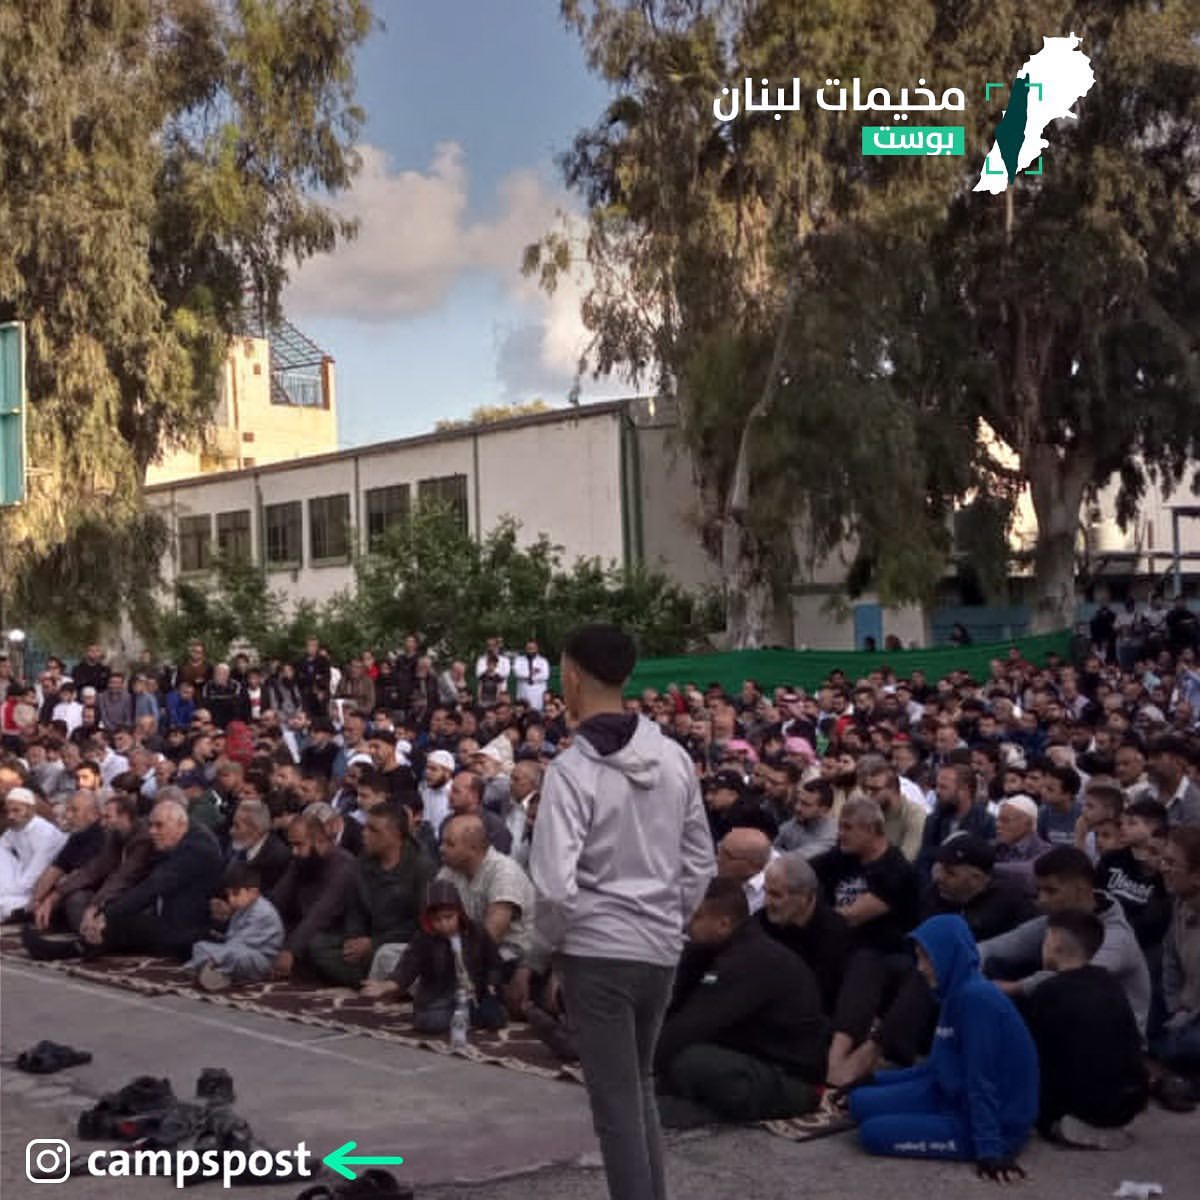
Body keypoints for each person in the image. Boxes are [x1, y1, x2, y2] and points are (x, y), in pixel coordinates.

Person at [529, 624, 714, 1200]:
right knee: (638, 1089)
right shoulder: (674, 758)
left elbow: (554, 888)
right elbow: (699, 861)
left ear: (572, 676)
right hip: (658, 948)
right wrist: (669, 920)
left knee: (615, 1107)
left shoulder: (572, 772)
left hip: (596, 949)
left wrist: (541, 952)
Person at [848, 914, 1038, 1181]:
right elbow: (938, 1067)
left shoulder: (977, 1001)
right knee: (858, 1102)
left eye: (927, 959)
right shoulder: (954, 993)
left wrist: (990, 1149)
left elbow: (981, 1079)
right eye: (918, 958)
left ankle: (973, 1136)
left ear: (950, 955)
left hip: (993, 1123)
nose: (921, 968)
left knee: (872, 1133)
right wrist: (875, 1079)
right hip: (951, 1095)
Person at [654, 878, 827, 1123]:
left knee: (690, 1061)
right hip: (748, 1057)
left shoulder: (751, 960)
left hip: (790, 1079)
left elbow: (694, 1024)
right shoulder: (711, 950)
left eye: (696, 917)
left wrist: (638, 1063)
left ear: (723, 924)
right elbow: (671, 1005)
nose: (687, 923)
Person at [979, 846, 1151, 1035]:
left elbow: (1073, 979)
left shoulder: (1117, 937)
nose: (1042, 900)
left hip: (1113, 1040)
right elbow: (999, 946)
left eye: (1051, 891)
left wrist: (1009, 988)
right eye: (1039, 890)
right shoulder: (1057, 920)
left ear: (1081, 889)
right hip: (1070, 1026)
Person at [1024, 910, 1148, 1148]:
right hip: (1127, 1104)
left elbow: (1034, 1057)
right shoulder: (1112, 984)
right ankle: (1105, 1122)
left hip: (1077, 1107)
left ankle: (1069, 1124)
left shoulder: (1048, 992)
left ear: (1054, 943)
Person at [310, 802, 435, 987]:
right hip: (368, 937)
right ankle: (371, 978)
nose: (364, 834)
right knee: (318, 945)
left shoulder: (421, 867)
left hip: (398, 943)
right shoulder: (363, 862)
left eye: (373, 830)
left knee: (390, 956)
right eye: (365, 828)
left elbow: (422, 923)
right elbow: (355, 908)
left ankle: (379, 980)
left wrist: (375, 943)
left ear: (395, 834)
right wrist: (354, 938)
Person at [364, 878, 507, 1032]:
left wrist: (491, 989)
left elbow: (493, 963)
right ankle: (464, 1019)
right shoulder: (424, 938)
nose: (444, 924)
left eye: (449, 917)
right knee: (431, 1022)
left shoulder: (476, 932)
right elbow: (408, 966)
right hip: (439, 997)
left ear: (459, 913)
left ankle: (469, 1016)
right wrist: (389, 985)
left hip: (475, 995)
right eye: (437, 920)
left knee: (496, 1017)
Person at [89, 800, 224, 958]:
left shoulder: (196, 849)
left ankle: (81, 947)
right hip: (169, 916)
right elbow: (138, 879)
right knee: (116, 920)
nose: (152, 831)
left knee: (116, 925)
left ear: (181, 825)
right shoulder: (178, 839)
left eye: (159, 826)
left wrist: (108, 915)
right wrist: (105, 909)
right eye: (151, 825)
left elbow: (153, 886)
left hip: (188, 929)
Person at [758, 851, 853, 1015]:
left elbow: (824, 992)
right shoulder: (761, 921)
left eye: (776, 895)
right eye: (765, 892)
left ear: (805, 897)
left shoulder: (835, 933)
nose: (767, 902)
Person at [438, 814, 534, 972]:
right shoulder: (450, 870)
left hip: (511, 958)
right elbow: (434, 919)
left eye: (450, 844)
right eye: (442, 842)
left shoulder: (504, 872)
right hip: (464, 950)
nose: (441, 849)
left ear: (473, 848)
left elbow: (491, 936)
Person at [268, 811, 357, 979]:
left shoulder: (343, 866)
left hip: (335, 933)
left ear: (320, 841)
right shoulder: (301, 861)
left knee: (315, 945)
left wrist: (290, 950)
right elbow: (277, 899)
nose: (294, 851)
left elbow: (321, 913)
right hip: (304, 928)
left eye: (299, 845)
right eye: (292, 845)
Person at [1153, 825, 1200, 1106]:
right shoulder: (1181, 904)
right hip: (1185, 1007)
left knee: (1183, 1045)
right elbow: (1170, 960)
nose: (1163, 868)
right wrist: (1175, 1007)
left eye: (1171, 863)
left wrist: (1186, 1016)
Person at [186, 863, 286, 991]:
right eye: (229, 894)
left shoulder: (263, 913)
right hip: (234, 950)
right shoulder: (241, 909)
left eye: (236, 894)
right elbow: (230, 939)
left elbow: (240, 945)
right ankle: (213, 971)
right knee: (200, 946)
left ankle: (213, 972)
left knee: (235, 955)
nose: (231, 899)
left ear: (253, 892)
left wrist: (216, 956)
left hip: (258, 959)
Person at [0, 787, 68, 920]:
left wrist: (8, 891)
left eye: (16, 810)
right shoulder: (15, 829)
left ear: (31, 810)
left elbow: (36, 873)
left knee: (6, 904)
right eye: (8, 811)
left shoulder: (45, 833)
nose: (10, 816)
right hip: (21, 885)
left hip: (43, 888)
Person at [774, 778, 838, 858]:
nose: (797, 807)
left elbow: (799, 859)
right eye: (798, 801)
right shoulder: (799, 820)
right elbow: (773, 845)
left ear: (823, 810)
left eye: (806, 804)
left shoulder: (830, 835)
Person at [715, 827, 773, 914]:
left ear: (752, 866)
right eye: (719, 849)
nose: (718, 859)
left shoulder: (769, 895)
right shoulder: (713, 872)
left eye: (727, 855)